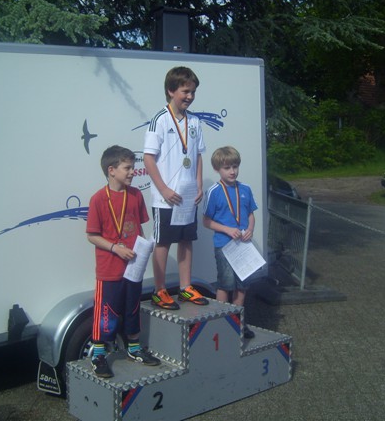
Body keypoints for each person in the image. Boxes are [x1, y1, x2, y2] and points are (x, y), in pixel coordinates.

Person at [86, 145, 160, 378]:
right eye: (127, 168)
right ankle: (98, 355)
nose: (132, 172)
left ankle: (134, 349)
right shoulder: (98, 199)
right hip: (109, 269)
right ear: (112, 170)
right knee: (106, 313)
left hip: (133, 268)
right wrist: (115, 248)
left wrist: (144, 248)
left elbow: (138, 228)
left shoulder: (135, 195)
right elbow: (92, 235)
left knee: (132, 308)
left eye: (133, 167)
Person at [144, 66, 209, 310]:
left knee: (186, 240)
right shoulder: (159, 120)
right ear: (171, 91)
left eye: (193, 92)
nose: (190, 96)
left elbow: (198, 156)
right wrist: (163, 189)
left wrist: (199, 184)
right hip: (166, 197)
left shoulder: (195, 121)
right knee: (163, 242)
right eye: (185, 91)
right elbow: (148, 158)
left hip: (187, 196)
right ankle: (159, 290)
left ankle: (185, 287)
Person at [203, 146, 258, 338]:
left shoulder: (245, 189)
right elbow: (206, 221)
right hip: (224, 246)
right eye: (227, 168)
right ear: (217, 169)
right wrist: (227, 229)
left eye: (235, 166)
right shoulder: (214, 192)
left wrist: (250, 229)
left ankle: (238, 322)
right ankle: (221, 322)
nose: (232, 171)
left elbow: (250, 214)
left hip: (243, 246)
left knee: (242, 286)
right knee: (225, 284)